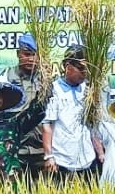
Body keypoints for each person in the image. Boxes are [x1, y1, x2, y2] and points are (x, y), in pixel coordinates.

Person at [41, 45, 97, 185]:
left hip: (87, 158)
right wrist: (49, 156)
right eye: (81, 69)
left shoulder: (88, 89)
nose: (84, 73)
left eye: (87, 70)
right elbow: (47, 125)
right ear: (67, 66)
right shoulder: (54, 90)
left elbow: (92, 125)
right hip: (62, 160)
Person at [4, 33, 47, 180]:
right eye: (26, 54)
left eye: (34, 55)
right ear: (18, 54)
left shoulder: (46, 81)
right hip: (14, 150)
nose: (30, 59)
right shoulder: (6, 77)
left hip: (41, 151)